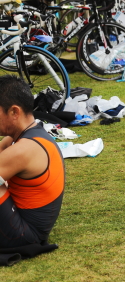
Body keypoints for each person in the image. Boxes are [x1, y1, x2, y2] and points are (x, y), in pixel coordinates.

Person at [0, 76, 65, 248]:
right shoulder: (31, 133)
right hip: (30, 226)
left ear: (14, 112)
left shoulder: (24, 149)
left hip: (24, 235)